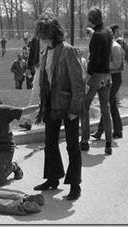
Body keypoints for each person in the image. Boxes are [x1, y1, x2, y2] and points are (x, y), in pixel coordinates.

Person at [30, 15, 84, 201]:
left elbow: (78, 82)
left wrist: (75, 108)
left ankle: (75, 184)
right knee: (50, 143)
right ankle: (53, 178)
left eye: (44, 34)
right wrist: (42, 105)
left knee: (72, 145)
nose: (41, 38)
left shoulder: (68, 50)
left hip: (68, 106)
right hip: (51, 106)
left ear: (52, 33)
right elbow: (46, 82)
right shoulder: (45, 53)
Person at [80, 8, 113, 155]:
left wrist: (87, 75)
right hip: (107, 76)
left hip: (97, 75)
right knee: (105, 110)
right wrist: (93, 34)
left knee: (84, 106)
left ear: (92, 19)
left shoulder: (97, 36)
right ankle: (108, 144)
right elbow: (102, 42)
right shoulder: (108, 32)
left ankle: (85, 140)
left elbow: (94, 58)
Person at [91, 27, 125, 140]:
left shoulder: (114, 47)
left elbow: (116, 64)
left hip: (115, 77)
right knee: (112, 104)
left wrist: (103, 66)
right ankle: (118, 130)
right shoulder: (109, 46)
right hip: (109, 77)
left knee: (107, 104)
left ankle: (100, 131)